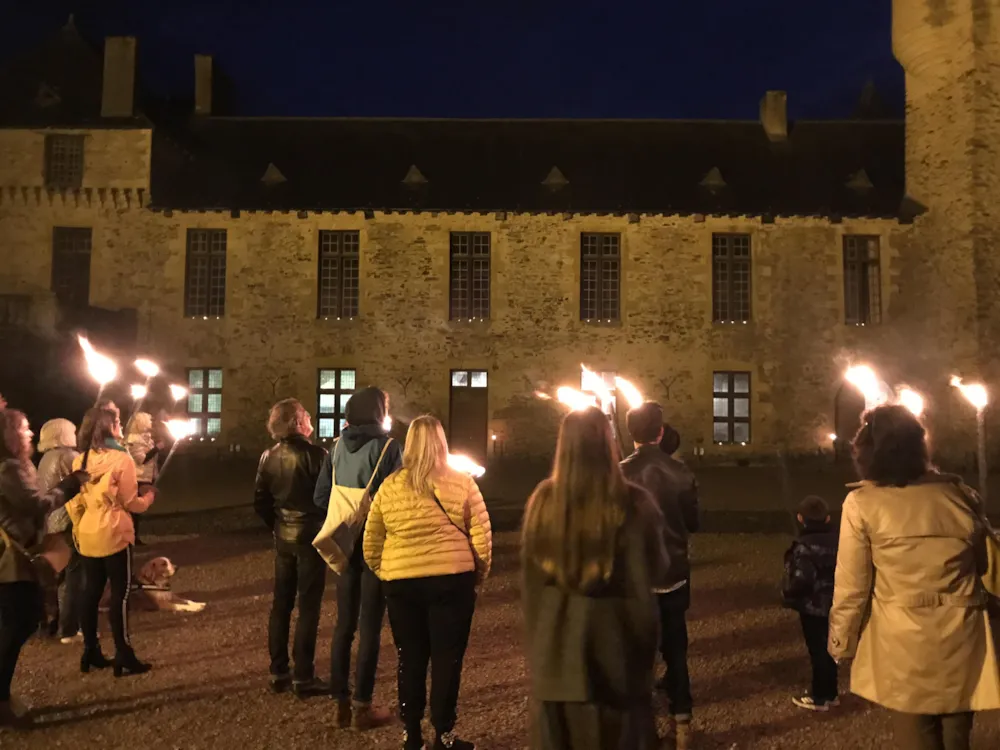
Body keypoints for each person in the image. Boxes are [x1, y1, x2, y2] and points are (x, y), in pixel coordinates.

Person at [829, 405, 1000, 750]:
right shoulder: (961, 496)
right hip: (961, 634)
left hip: (903, 637)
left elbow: (852, 586)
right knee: (957, 735)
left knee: (915, 734)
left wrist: (841, 643)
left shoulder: (862, 504)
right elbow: (985, 568)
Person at [523, 406, 668, 750]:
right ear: (610, 444)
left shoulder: (543, 503)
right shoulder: (635, 505)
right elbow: (655, 574)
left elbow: (531, 593)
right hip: (618, 662)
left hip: (557, 668)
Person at [363, 415, 492, 750]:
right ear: (441, 443)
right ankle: (443, 733)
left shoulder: (391, 486)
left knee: (411, 656)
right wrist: (477, 573)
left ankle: (412, 732)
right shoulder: (461, 483)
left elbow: (372, 542)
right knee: (447, 658)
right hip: (451, 580)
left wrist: (389, 570)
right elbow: (481, 535)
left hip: (403, 585)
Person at [314, 386, 402, 729]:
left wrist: (343, 518)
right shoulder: (389, 447)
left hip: (343, 542)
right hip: (376, 545)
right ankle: (363, 705)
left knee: (343, 625)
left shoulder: (335, 448)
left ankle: (340, 701)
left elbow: (322, 496)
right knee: (369, 628)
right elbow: (397, 499)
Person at [0, 409, 86, 727]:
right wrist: (70, 485)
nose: (30, 433)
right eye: (23, 429)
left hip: (16, 556)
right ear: (7, 435)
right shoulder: (8, 468)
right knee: (18, 621)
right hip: (12, 560)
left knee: (18, 621)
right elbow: (35, 504)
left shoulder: (13, 465)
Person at [620, 401, 699, 749]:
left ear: (631, 433)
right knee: (676, 651)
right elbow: (693, 522)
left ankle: (642, 730)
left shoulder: (619, 473)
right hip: (674, 572)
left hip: (636, 577)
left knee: (638, 654)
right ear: (662, 432)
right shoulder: (681, 472)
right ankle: (683, 723)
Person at [68, 407, 155, 678]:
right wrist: (149, 497)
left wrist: (80, 526)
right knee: (121, 594)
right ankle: (124, 653)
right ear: (108, 428)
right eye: (117, 422)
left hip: (88, 532)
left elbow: (75, 500)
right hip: (114, 532)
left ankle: (91, 649)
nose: (121, 425)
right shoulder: (121, 459)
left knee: (91, 591)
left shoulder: (79, 460)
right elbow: (131, 503)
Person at [253, 399, 329, 698]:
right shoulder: (317, 455)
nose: (311, 419)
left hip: (284, 536)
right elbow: (328, 495)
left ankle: (278, 671)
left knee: (281, 604)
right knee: (308, 606)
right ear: (297, 422)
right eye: (307, 415)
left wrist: (278, 524)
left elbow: (260, 500)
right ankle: (304, 676)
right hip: (311, 537)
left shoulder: (268, 456)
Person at [781, 495, 838, 712]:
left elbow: (803, 578)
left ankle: (821, 696)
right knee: (832, 647)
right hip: (838, 602)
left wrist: (789, 594)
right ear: (827, 518)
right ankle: (831, 692)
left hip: (814, 606)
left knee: (818, 650)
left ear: (800, 518)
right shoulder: (841, 539)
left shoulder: (805, 546)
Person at [37, 418, 84, 644]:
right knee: (74, 575)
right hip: (68, 521)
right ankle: (69, 628)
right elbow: (84, 480)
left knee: (60, 576)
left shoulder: (46, 458)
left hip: (51, 523)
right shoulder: (68, 457)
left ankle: (53, 623)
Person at [125, 412, 162, 546]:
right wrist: (157, 448)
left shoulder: (146, 438)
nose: (151, 423)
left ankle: (135, 536)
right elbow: (141, 459)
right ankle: (131, 537)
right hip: (138, 477)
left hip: (146, 476)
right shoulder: (133, 439)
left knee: (140, 510)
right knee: (135, 509)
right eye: (149, 420)